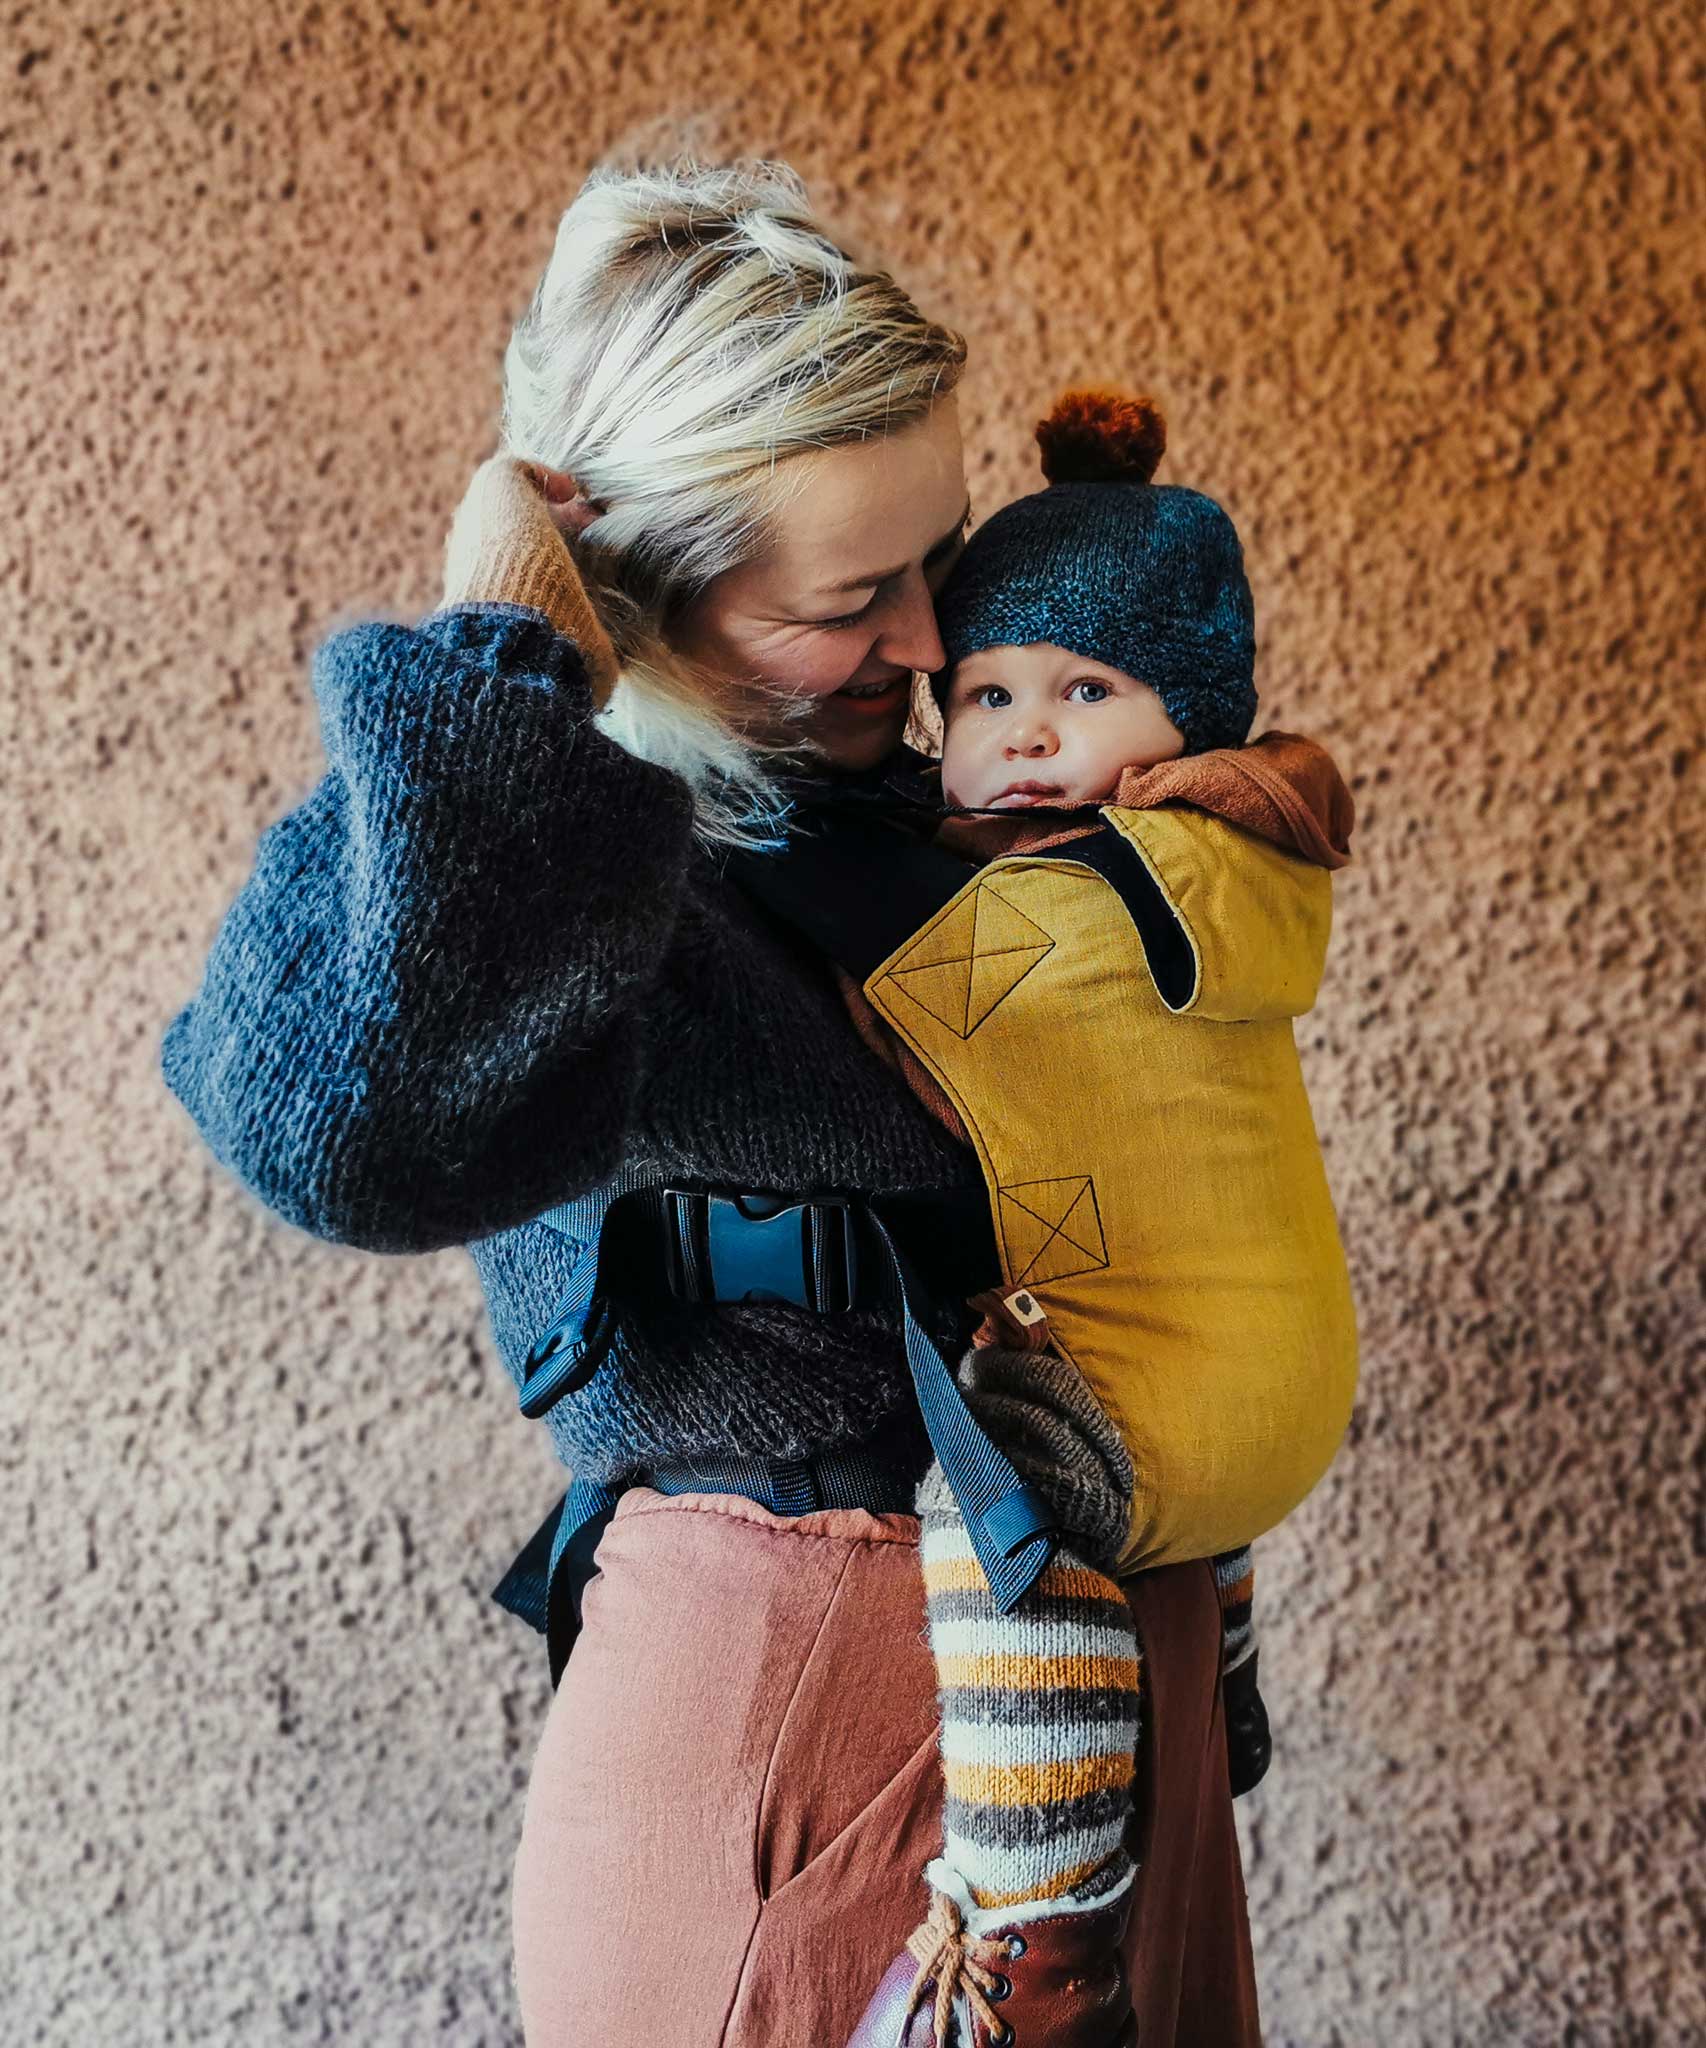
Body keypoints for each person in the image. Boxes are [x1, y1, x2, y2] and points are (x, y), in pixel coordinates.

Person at [158, 157, 1263, 2045]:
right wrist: (511, 664)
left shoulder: (895, 814)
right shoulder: (560, 860)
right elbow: (339, 1122)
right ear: (643, 594)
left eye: (937, 562)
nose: (929, 645)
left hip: (1047, 1698)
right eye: (857, 595)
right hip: (803, 1709)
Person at [827, 390, 1357, 2046]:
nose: (1027, 733)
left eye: (1082, 691)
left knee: (993, 1511)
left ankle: (1039, 1934)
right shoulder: (1245, 865)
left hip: (1156, 1413)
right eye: (984, 693)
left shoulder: (1097, 891)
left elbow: (918, 978)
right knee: (1149, 1348)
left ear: (1184, 719)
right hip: (1268, 1402)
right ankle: (1217, 1690)